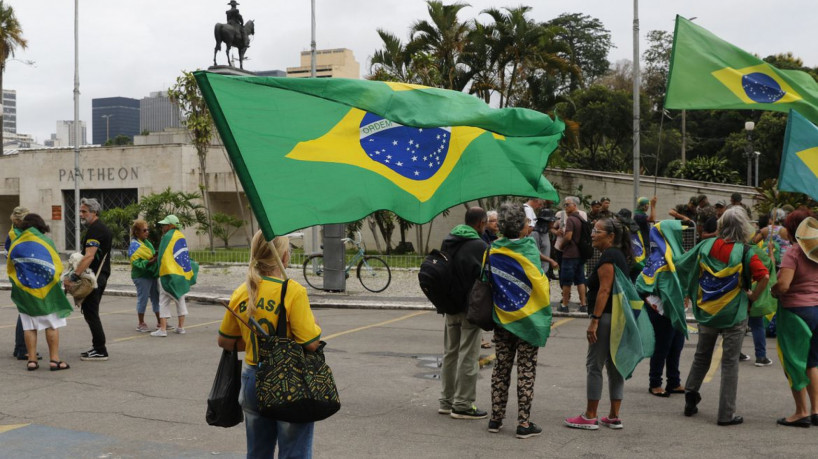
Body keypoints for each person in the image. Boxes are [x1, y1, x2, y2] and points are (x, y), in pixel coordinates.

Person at [218, 231, 322, 457]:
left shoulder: (243, 291)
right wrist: (313, 324)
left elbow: (225, 341)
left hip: (252, 377)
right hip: (288, 380)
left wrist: (255, 341)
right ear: (284, 257)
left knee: (257, 452)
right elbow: (312, 343)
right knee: (294, 451)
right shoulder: (293, 291)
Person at [676, 208, 770, 426]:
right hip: (734, 314)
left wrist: (694, 288)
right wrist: (752, 296)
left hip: (707, 310)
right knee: (729, 364)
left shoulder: (706, 245)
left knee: (702, 356)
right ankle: (726, 415)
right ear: (744, 227)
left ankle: (690, 397)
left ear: (721, 226)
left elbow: (682, 264)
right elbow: (763, 276)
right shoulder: (746, 251)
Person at [488, 201, 552, 438]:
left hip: (503, 318)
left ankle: (495, 419)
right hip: (528, 320)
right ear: (522, 225)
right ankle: (523, 423)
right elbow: (540, 284)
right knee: (525, 369)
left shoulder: (493, 250)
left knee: (501, 368)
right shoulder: (529, 249)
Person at [564, 217, 634, 430]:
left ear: (611, 236)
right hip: (617, 319)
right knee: (614, 367)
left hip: (605, 319)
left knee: (594, 365)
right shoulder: (618, 255)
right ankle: (613, 416)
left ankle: (590, 415)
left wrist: (594, 321)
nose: (592, 234)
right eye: (593, 230)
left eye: (597, 231)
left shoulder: (609, 257)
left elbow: (604, 290)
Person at [438, 207, 489, 420]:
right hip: (470, 307)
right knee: (468, 355)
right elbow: (485, 276)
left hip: (449, 306)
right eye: (485, 223)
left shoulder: (449, 240)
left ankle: (446, 401)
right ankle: (463, 404)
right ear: (479, 224)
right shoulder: (480, 246)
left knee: (450, 353)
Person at [8, 214, 73, 371]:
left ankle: (31, 360)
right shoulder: (46, 242)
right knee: (51, 325)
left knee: (29, 326)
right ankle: (54, 360)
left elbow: (11, 268)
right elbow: (56, 266)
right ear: (40, 226)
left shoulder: (16, 242)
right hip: (46, 292)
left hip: (25, 291)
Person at [771, 210, 818, 427]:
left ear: (792, 230)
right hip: (816, 309)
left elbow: (784, 286)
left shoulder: (794, 253)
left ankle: (801, 412)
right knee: (812, 361)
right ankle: (816, 410)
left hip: (795, 312)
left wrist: (773, 290)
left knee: (793, 361)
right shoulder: (816, 251)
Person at [64, 197, 112, 361]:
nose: (81, 215)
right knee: (91, 313)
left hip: (95, 278)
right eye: (80, 211)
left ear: (94, 212)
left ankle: (100, 349)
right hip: (100, 276)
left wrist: (73, 276)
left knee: (91, 313)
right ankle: (97, 347)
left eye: (84, 212)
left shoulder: (96, 230)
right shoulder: (98, 228)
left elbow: (89, 256)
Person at [151, 215, 197, 337]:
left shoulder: (167, 237)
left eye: (164, 225)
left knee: (163, 301)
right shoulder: (181, 236)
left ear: (170, 225)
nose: (162, 227)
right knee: (180, 300)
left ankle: (163, 329)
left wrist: (159, 270)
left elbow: (162, 256)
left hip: (168, 273)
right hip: (181, 274)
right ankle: (181, 327)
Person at [7, 206, 39, 362]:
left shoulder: (14, 232)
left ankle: (19, 347)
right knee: (26, 313)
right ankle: (22, 349)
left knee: (24, 312)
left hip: (19, 276)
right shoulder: (18, 235)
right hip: (24, 277)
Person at [557, 196, 588, 313]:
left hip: (570, 254)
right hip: (580, 254)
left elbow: (568, 236)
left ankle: (565, 305)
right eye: (565, 205)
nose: (565, 207)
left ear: (574, 205)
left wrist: (561, 245)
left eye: (567, 204)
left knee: (566, 281)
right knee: (580, 280)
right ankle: (583, 304)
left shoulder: (570, 219)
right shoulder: (581, 218)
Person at [129, 220, 160, 332]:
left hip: (151, 274)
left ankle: (160, 322)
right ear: (137, 232)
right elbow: (137, 263)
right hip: (141, 275)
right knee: (143, 299)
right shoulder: (134, 246)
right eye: (144, 230)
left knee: (156, 298)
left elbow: (150, 255)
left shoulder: (147, 243)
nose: (147, 232)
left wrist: (154, 258)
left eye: (148, 230)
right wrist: (151, 261)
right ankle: (141, 323)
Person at [531, 208, 559, 278]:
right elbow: (535, 252)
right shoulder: (535, 234)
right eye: (552, 221)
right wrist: (551, 261)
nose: (553, 222)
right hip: (537, 271)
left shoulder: (546, 233)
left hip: (545, 269)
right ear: (546, 222)